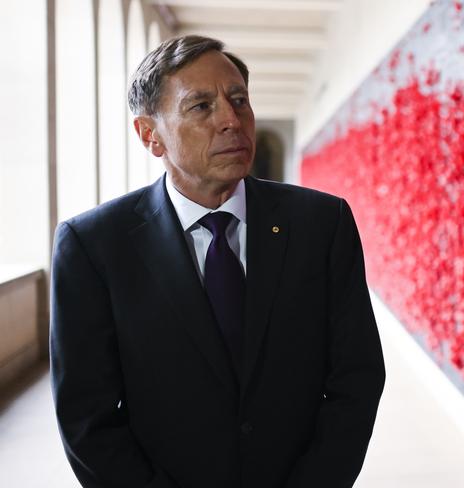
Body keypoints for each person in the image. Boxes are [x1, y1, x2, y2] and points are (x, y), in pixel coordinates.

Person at [49, 35, 385, 488]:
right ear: (150, 135)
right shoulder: (93, 247)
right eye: (201, 106)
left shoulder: (322, 225)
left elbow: (357, 378)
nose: (232, 120)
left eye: (239, 100)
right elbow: (87, 419)